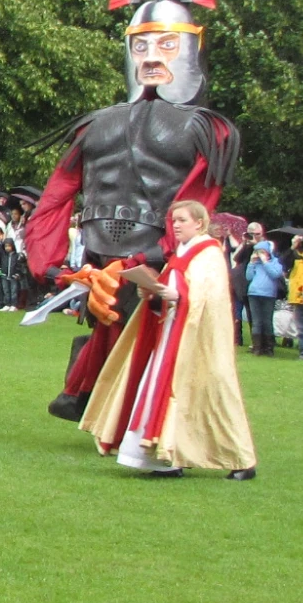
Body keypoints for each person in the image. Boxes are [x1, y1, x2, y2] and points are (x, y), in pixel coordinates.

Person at [27, 0, 239, 419]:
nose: (151, 56)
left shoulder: (205, 129)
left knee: (150, 346)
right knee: (108, 330)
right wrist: (55, 264)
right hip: (100, 255)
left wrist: (154, 258)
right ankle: (93, 400)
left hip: (156, 261)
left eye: (167, 44)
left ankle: (140, 418)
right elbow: (57, 197)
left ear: (191, 46)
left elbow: (195, 204)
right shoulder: (97, 124)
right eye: (140, 44)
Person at [80, 198, 256, 480]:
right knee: (161, 394)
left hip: (193, 339)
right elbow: (169, 287)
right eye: (173, 221)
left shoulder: (208, 253)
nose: (176, 225)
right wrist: (151, 294)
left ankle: (241, 459)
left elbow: (210, 297)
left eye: (182, 220)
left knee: (214, 394)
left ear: (199, 223)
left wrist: (179, 297)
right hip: (170, 332)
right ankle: (167, 459)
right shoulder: (180, 254)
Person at [244, 238, 283, 358]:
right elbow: (248, 277)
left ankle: (269, 347)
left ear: (267, 252)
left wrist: (266, 262)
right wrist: (251, 263)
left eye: (261, 251)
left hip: (268, 294)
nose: (259, 254)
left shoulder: (275, 262)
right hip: (254, 293)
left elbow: (275, 274)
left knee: (267, 321)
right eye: (257, 251)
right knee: (256, 321)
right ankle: (257, 347)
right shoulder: (256, 264)